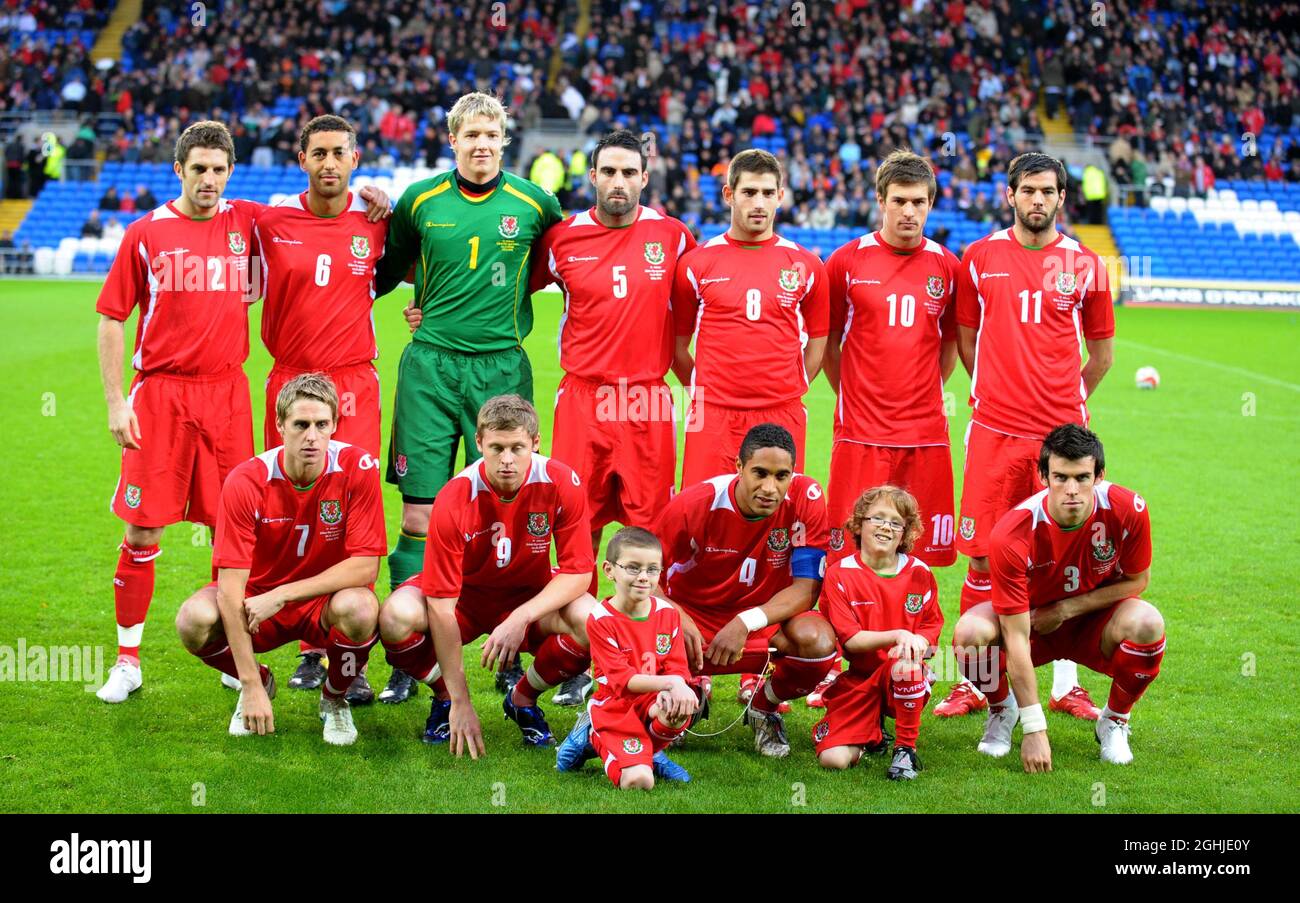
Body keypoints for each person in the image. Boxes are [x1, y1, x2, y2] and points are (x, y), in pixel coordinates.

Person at [375, 92, 563, 699]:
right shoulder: (420, 200)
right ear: (452, 139)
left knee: (504, 512)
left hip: (502, 368)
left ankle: (506, 645)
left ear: (505, 141)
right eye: (471, 134)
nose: (482, 144)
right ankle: (415, 654)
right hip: (430, 367)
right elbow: (388, 268)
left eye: (493, 134)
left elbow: (554, 270)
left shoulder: (537, 204)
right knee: (420, 516)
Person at [935, 152, 1115, 720]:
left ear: (1062, 197)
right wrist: (999, 393)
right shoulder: (980, 257)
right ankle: (975, 683)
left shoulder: (1087, 265)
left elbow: (1102, 355)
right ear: (1009, 194)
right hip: (993, 432)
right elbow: (967, 340)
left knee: (1064, 559)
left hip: (1061, 440)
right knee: (985, 556)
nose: (1038, 200)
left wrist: (1065, 406)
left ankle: (1065, 685)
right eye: (1027, 190)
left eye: (1048, 191)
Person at [526, 128, 697, 705]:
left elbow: (704, 307)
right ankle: (578, 654)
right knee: (576, 530)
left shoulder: (672, 236)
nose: (619, 182)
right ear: (591, 176)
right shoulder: (561, 240)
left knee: (648, 533)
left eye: (630, 173)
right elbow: (506, 289)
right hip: (583, 398)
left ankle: (648, 656)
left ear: (644, 178)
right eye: (609, 172)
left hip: (647, 400)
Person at [94, 121, 260, 703]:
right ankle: (128, 661)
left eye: (218, 169)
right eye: (199, 169)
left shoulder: (246, 223)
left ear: (230, 173)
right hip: (160, 396)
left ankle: (226, 648)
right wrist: (116, 400)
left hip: (226, 395)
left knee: (230, 529)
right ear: (178, 171)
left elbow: (311, 217)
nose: (209, 179)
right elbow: (112, 316)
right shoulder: (146, 233)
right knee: (142, 527)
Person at [252, 114, 397, 704]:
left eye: (340, 153)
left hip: (352, 384)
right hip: (289, 380)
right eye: (319, 153)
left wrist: (416, 316)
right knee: (289, 506)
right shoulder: (269, 219)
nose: (329, 163)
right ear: (302, 157)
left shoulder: (379, 221)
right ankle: (307, 648)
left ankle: (349, 653)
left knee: (349, 510)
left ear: (356, 159)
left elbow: (421, 277)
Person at [174, 374, 386, 745]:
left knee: (363, 609)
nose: (312, 436)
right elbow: (229, 591)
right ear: (280, 426)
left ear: (335, 424)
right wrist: (252, 684)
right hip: (256, 603)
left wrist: (284, 594)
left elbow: (366, 566)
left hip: (319, 603)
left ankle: (334, 699)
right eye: (301, 425)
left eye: (322, 425)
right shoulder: (245, 481)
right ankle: (258, 679)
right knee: (193, 621)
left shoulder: (359, 467)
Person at [377, 396, 596, 753]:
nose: (507, 460)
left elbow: (578, 572)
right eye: (496, 448)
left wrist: (521, 617)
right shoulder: (455, 496)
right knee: (395, 617)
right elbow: (441, 606)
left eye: (517, 448)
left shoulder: (561, 481)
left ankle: (523, 698)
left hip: (529, 597)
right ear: (479, 443)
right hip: (465, 600)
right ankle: (445, 698)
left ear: (536, 443)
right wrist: (462, 698)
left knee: (593, 621)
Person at [951, 425, 1164, 769]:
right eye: (1060, 477)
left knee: (1148, 623)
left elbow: (1138, 580)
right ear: (1042, 476)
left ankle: (1114, 720)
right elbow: (1017, 637)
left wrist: (1066, 609)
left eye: (1082, 477)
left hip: (1095, 625)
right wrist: (1035, 729)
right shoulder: (1012, 532)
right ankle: (1003, 708)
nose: (1071, 490)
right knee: (969, 634)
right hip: (1034, 626)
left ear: (1099, 476)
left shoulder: (1129, 508)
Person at [654, 423, 838, 757]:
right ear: (738, 468)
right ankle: (680, 696)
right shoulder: (695, 503)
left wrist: (745, 622)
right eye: (760, 473)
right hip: (693, 619)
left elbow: (806, 590)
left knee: (819, 642)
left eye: (782, 476)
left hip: (763, 619)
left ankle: (763, 708)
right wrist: (676, 617)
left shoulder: (807, 498)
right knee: (644, 632)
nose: (770, 487)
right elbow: (643, 580)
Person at [671, 149, 829, 487]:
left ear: (780, 197)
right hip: (713, 413)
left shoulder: (806, 265)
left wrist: (790, 385)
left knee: (774, 519)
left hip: (781, 411)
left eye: (768, 193)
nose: (759, 202)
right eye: (749, 192)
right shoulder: (696, 264)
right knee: (707, 514)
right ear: (729, 195)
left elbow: (818, 342)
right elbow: (677, 346)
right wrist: (706, 390)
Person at [813, 486, 943, 780]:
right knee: (833, 760)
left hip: (903, 676)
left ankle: (905, 749)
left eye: (896, 522)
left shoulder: (920, 572)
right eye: (878, 518)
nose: (886, 526)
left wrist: (916, 643)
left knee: (906, 665)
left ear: (905, 533)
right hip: (859, 678)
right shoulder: (840, 574)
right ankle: (873, 735)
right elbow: (852, 640)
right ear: (859, 524)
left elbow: (930, 630)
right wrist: (897, 634)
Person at [554, 527, 696, 789]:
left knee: (676, 710)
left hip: (652, 699)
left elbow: (676, 666)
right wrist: (670, 685)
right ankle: (589, 737)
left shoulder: (668, 613)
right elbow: (623, 680)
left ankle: (649, 752)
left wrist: (677, 687)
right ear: (609, 570)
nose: (643, 577)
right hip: (615, 707)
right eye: (632, 568)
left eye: (652, 569)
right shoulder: (600, 619)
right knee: (640, 782)